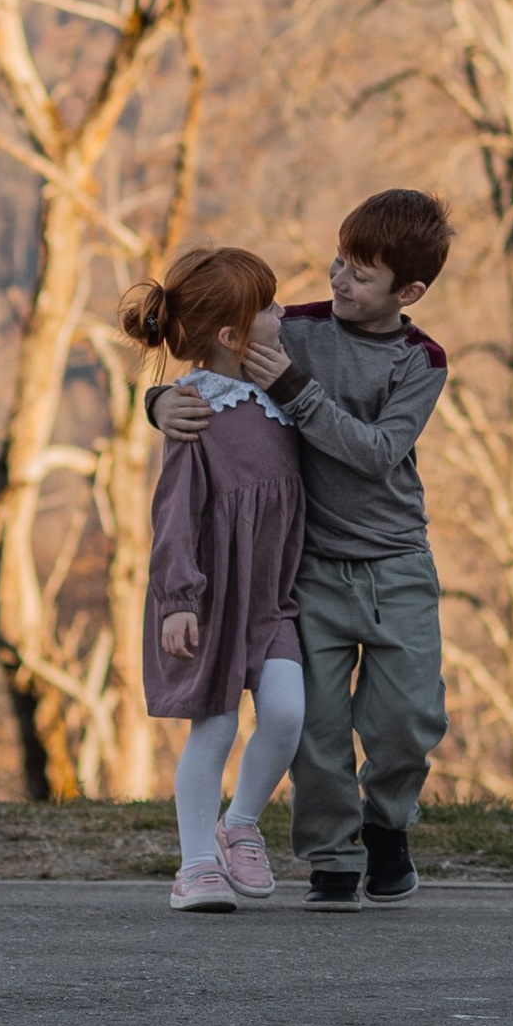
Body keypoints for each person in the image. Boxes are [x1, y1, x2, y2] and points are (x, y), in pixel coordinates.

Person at [151, 188, 450, 907]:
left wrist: (295, 389)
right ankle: (333, 856)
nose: (337, 280)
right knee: (315, 727)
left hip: (396, 561)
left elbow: (378, 452)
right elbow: (208, 361)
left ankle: (386, 826)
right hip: (307, 566)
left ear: (407, 291)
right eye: (338, 261)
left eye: (360, 273)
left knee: (408, 720)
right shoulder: (296, 330)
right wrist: (157, 403)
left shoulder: (421, 361)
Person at [124, 242, 307, 913]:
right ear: (232, 336)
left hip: (273, 602)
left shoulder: (282, 392)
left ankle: (240, 824)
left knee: (287, 714)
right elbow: (174, 512)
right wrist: (178, 599)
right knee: (217, 729)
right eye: (267, 307)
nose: (282, 311)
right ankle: (195, 865)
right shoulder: (197, 408)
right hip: (211, 600)